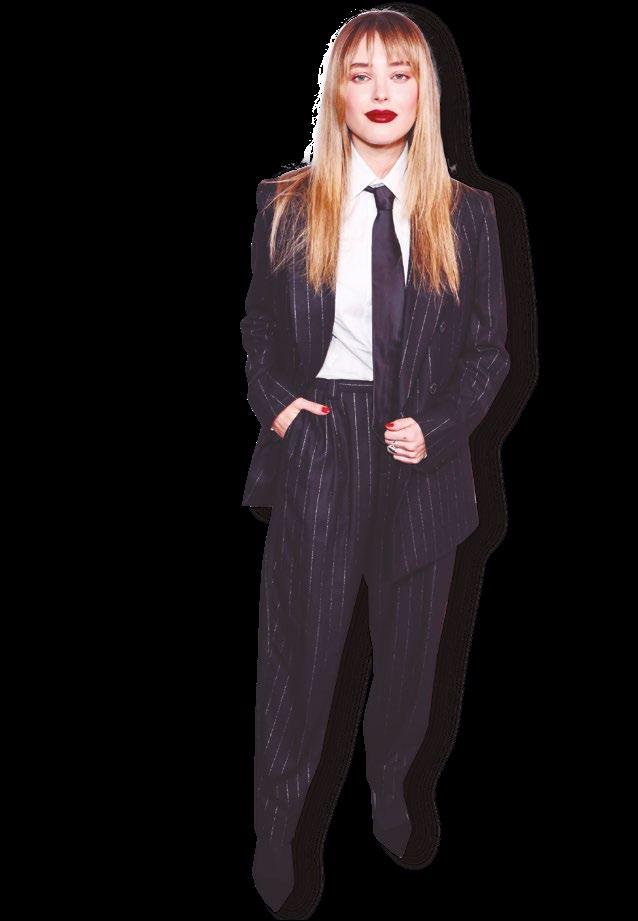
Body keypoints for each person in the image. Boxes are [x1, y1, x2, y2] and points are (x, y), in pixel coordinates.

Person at [240, 9, 510, 912]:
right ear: (337, 93)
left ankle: (391, 787)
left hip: (422, 450)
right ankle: (277, 827)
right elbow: (258, 326)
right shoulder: (287, 202)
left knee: (408, 657)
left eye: (401, 74)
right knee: (301, 654)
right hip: (323, 436)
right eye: (361, 75)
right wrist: (279, 407)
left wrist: (440, 425)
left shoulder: (468, 215)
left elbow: (490, 351)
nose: (382, 92)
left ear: (425, 91)